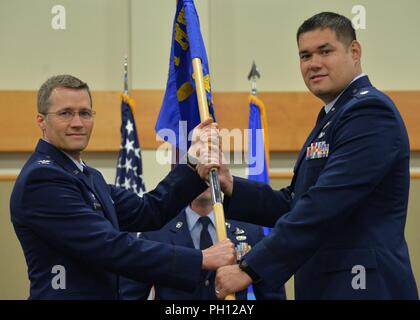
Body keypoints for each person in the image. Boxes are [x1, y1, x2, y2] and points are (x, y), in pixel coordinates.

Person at [212, 12, 418, 299]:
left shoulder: (369, 112)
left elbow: (323, 205)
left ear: (354, 52)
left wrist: (249, 268)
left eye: (325, 51)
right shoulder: (333, 115)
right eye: (305, 56)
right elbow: (296, 202)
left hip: (362, 286)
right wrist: (231, 186)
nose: (314, 64)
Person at [10, 74, 235, 300]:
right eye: (65, 113)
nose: (77, 123)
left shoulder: (88, 175)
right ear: (41, 121)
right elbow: (109, 246)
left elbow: (147, 211)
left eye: (85, 113)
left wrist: (193, 162)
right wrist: (201, 259)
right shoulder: (42, 178)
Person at [119, 188, 286, 300]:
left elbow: (272, 294)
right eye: (199, 166)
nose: (205, 175)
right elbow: (130, 296)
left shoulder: (250, 230)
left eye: (212, 167)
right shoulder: (156, 232)